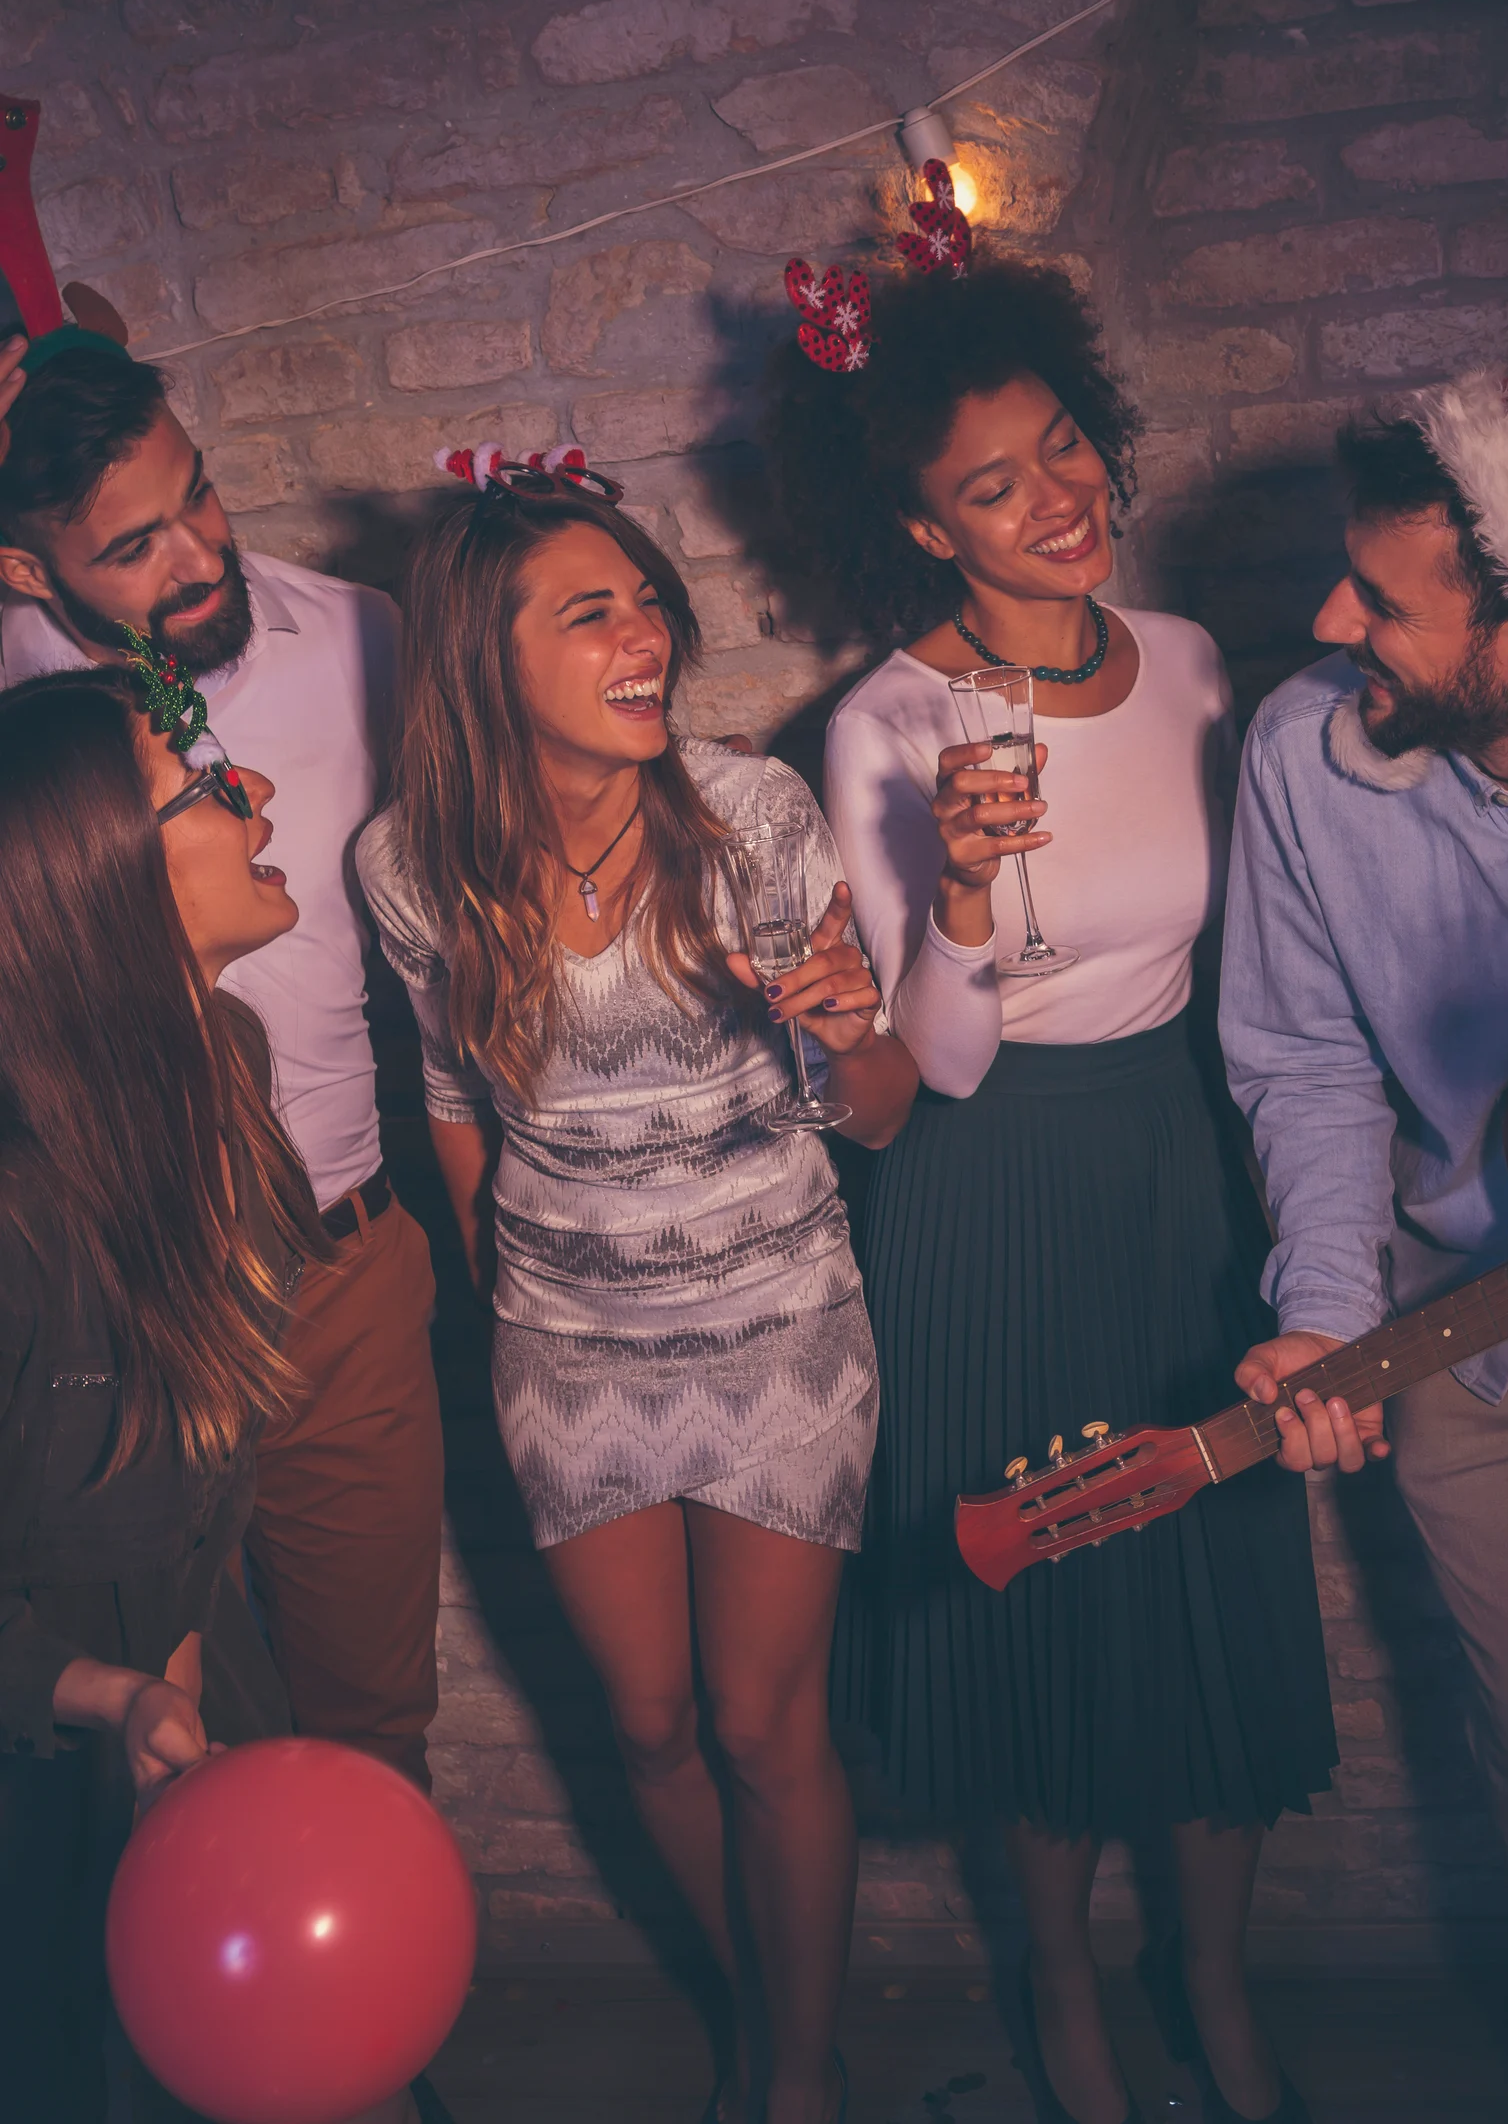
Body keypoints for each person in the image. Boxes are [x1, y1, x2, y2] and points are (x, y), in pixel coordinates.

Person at [762, 251, 1334, 2124]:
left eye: (1065, 444)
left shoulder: (1192, 662)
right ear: (928, 525)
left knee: (1208, 1566)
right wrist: (962, 894)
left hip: (1177, 1168)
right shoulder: (884, 726)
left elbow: (1257, 968)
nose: (1057, 497)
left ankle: (1215, 1981)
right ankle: (1069, 1990)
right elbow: (932, 1069)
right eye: (994, 485)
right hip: (988, 1190)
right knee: (1048, 1583)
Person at [354, 454, 918, 2124]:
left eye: (649, 601)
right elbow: (451, 1096)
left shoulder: (752, 815)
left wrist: (850, 1033)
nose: (647, 634)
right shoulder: (409, 863)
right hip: (567, 1353)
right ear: (486, 652)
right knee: (655, 1727)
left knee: (760, 1727)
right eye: (592, 611)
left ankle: (796, 2081)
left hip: (778, 1331)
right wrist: (503, 1286)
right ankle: (764, 2009)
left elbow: (883, 1112)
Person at [1221, 341, 1508, 2124]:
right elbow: (1302, 1062)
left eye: (1381, 598)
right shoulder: (1300, 758)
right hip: (1487, 1334)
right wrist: (1323, 1308)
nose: (1329, 619)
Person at [0, 329, 443, 1792]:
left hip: (330, 1255)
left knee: (360, 1728)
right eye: (133, 546)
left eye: (196, 493)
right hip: (103, 1292)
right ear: (25, 567)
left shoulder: (366, 638)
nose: (199, 555)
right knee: (149, 1724)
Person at [0, 663, 377, 2119]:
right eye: (204, 788)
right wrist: (108, 1692)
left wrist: (182, 1656)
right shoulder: (17, 1210)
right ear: (103, 879)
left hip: (194, 1650)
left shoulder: (229, 1057)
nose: (256, 793)